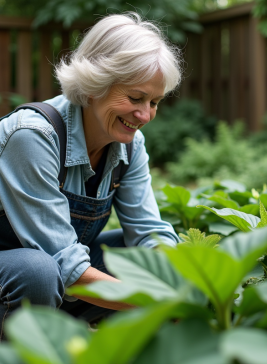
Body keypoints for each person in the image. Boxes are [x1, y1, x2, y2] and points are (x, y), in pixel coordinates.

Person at [0, 13, 181, 340]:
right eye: (135, 97)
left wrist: (182, 279)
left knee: (136, 255)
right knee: (38, 272)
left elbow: (149, 231)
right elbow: (66, 269)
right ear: (95, 84)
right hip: (17, 278)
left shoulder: (130, 144)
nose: (145, 115)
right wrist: (162, 301)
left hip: (57, 281)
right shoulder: (33, 136)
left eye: (155, 102)